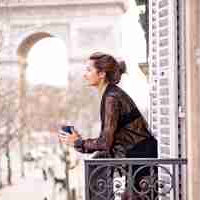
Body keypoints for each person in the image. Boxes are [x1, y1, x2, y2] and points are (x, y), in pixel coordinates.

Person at [59, 52, 158, 200]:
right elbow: (107, 140)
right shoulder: (111, 94)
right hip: (137, 159)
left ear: (101, 74)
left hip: (140, 160)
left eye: (88, 70)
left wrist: (78, 142)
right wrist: (80, 143)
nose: (85, 74)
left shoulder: (111, 98)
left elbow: (105, 142)